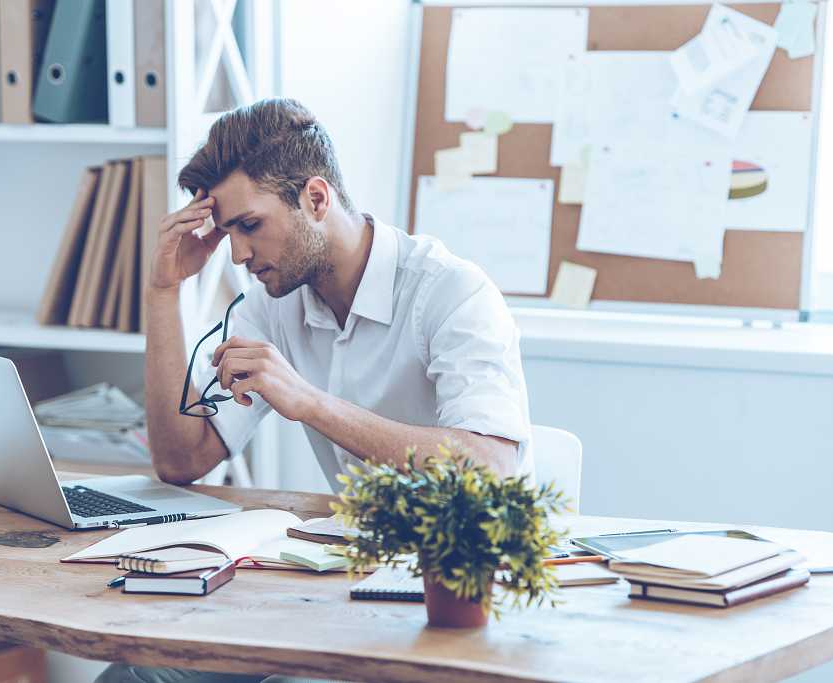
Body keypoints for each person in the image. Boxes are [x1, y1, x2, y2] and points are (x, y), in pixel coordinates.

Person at [95, 98, 531, 683]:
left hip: (453, 593)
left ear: (316, 199)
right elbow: (181, 459)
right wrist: (162, 291)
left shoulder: (452, 293)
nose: (241, 254)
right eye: (228, 234)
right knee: (137, 674)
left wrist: (311, 403)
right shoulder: (271, 306)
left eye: (250, 226)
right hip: (344, 585)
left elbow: (491, 466)